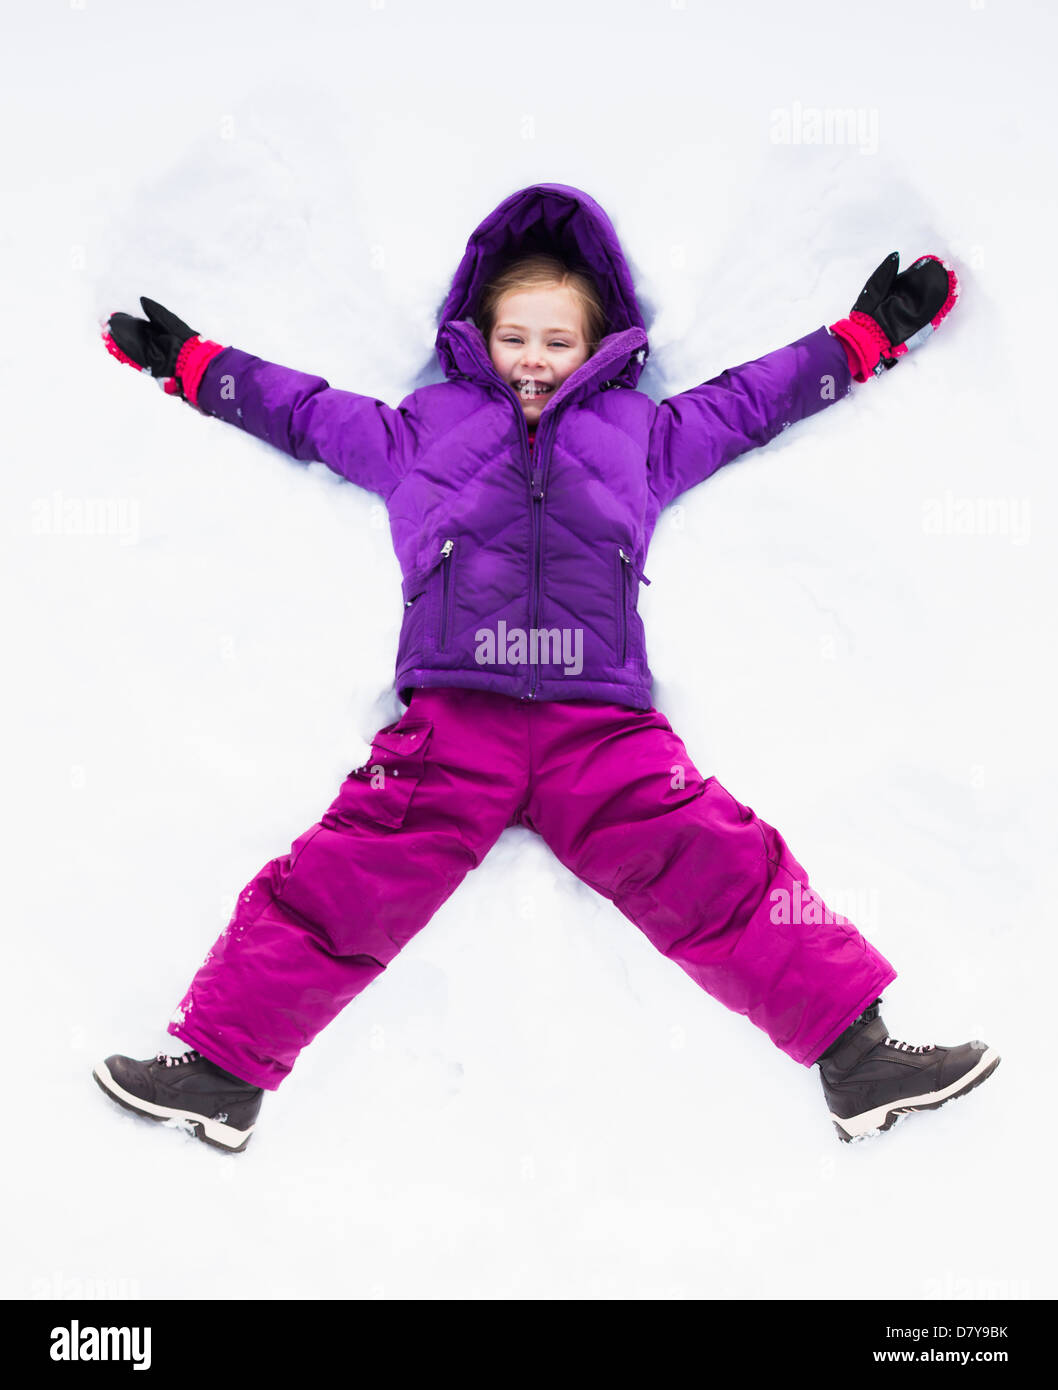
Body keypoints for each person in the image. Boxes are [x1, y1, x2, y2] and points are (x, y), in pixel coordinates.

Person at [93, 183, 999, 1152]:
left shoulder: (642, 437)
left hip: (600, 728)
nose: (532, 358)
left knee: (726, 867)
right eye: (514, 336)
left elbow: (749, 402)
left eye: (556, 340)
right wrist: (196, 367)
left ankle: (858, 1061)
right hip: (451, 723)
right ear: (477, 336)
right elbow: (305, 414)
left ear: (597, 345)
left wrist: (860, 340)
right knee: (337, 878)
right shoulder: (420, 431)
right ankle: (224, 1071)